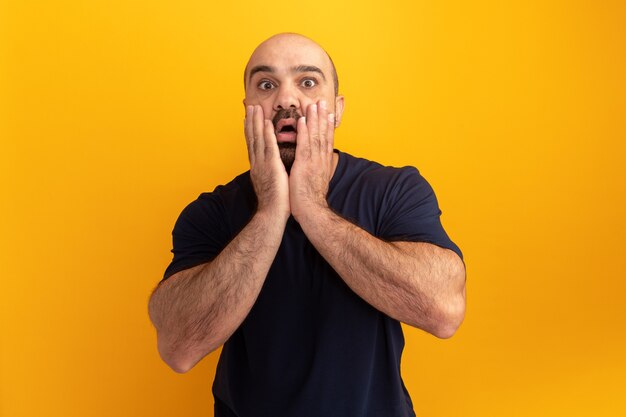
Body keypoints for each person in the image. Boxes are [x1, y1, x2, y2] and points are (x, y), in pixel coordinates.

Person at [148, 33, 466, 417]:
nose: (285, 100)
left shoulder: (394, 189)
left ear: (337, 108)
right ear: (249, 107)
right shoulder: (211, 212)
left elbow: (443, 311)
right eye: (266, 85)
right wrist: (269, 212)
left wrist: (312, 208)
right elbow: (178, 348)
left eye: (308, 82)